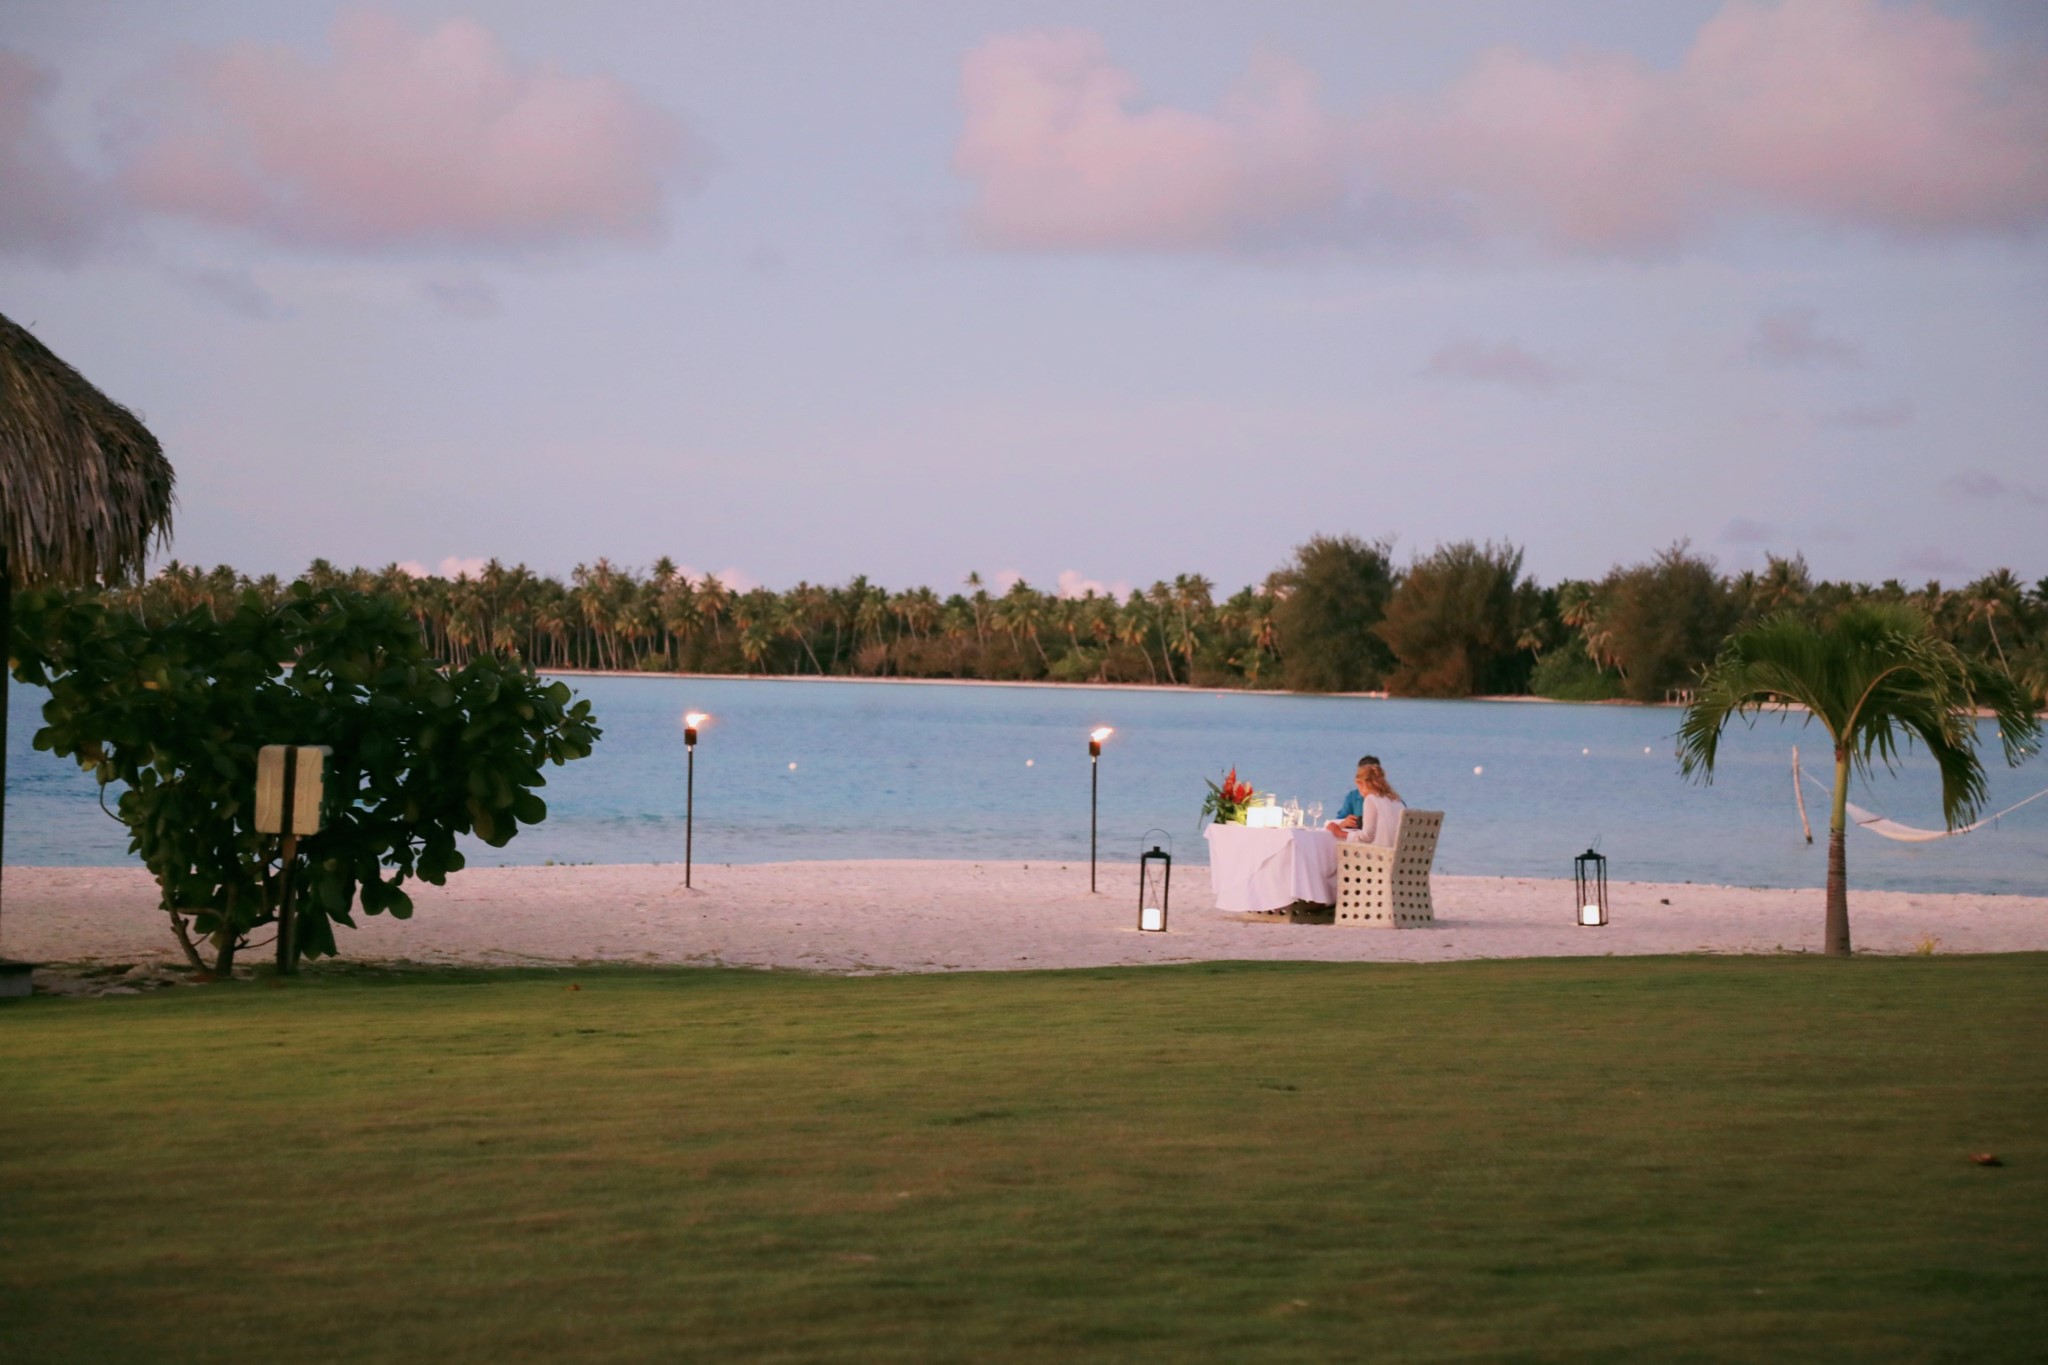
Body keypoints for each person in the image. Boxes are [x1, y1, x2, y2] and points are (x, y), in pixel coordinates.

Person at [1325, 754, 1405, 846]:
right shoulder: (1396, 800)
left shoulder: (1371, 799)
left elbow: (1366, 836)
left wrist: (1340, 833)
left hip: (1379, 855)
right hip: (1398, 855)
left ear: (1361, 783)